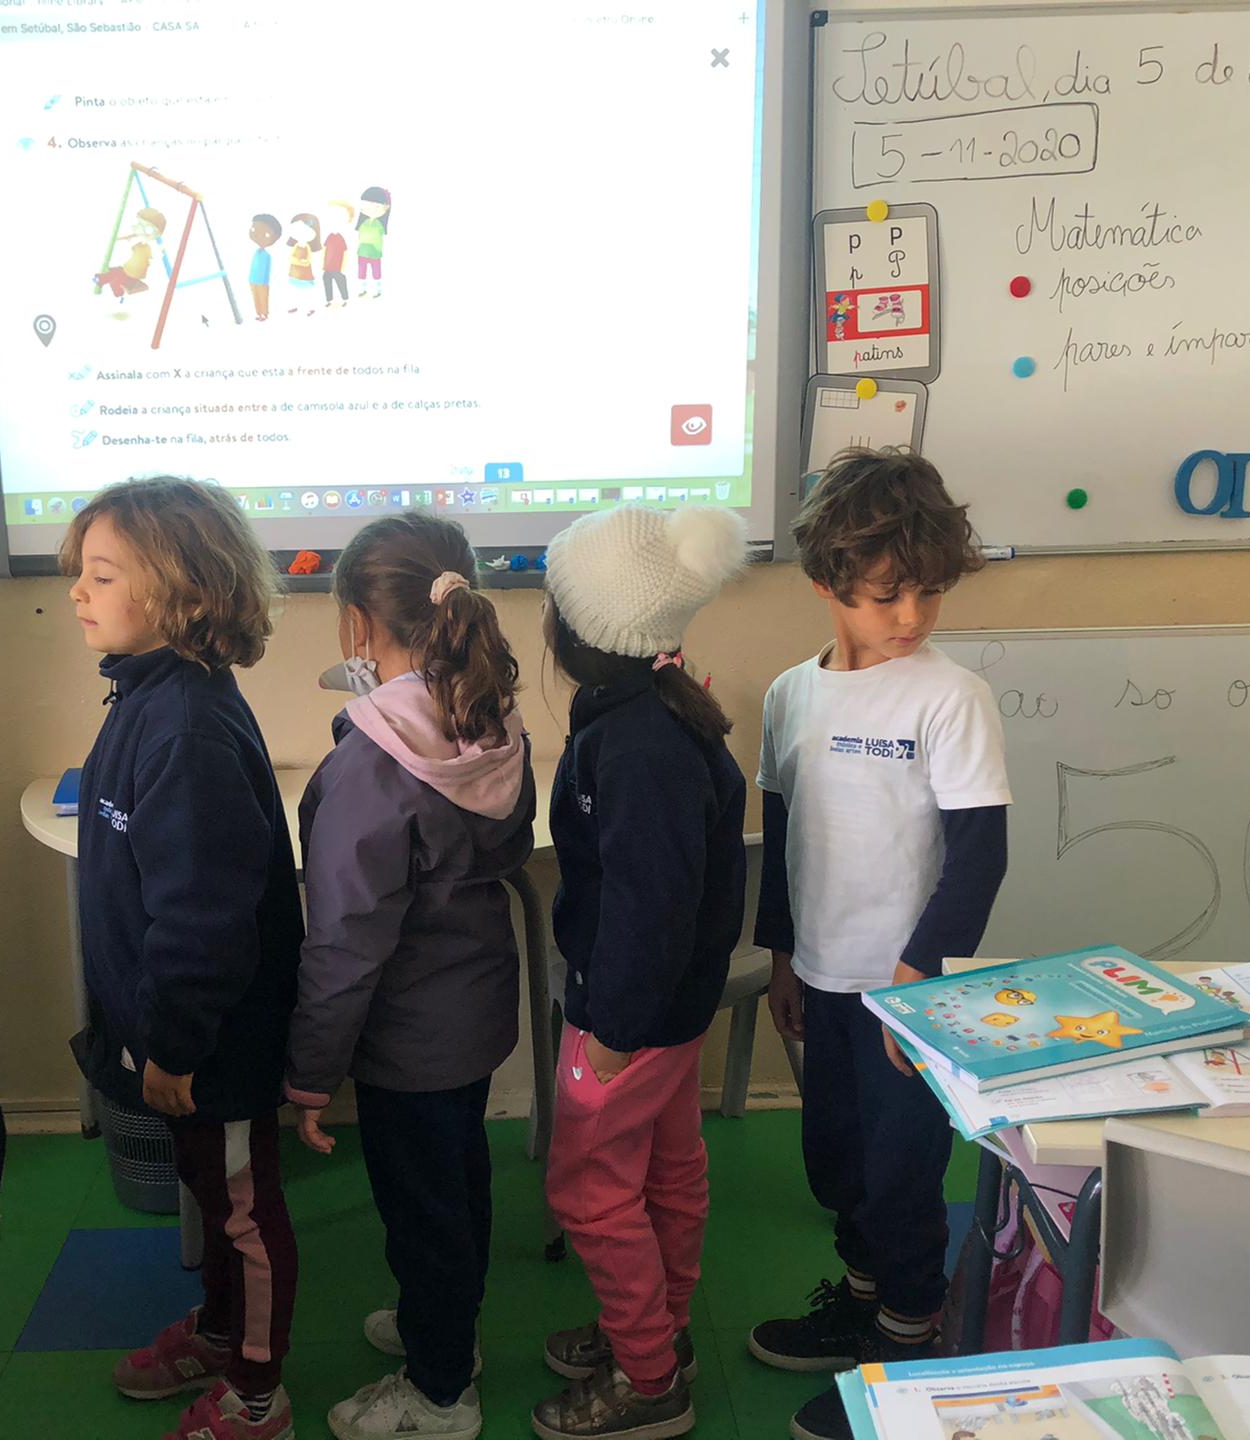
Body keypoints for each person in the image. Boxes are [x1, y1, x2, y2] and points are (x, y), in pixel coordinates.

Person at [747, 448, 1011, 1440]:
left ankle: (909, 1338)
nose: (911, 616)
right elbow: (782, 839)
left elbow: (979, 858)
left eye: (929, 592)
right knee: (836, 1163)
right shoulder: (791, 695)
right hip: (820, 975)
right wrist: (781, 958)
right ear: (828, 583)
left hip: (907, 993)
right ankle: (863, 1304)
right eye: (887, 594)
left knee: (903, 1175)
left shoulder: (950, 697)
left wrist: (914, 984)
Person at [64, 477, 304, 1440]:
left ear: (183, 591)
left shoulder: (188, 729)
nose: (77, 592)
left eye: (102, 574)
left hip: (213, 1045)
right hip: (180, 1039)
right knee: (211, 1193)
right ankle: (219, 1333)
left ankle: (258, 1397)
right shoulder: (145, 695)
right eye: (81, 573)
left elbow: (203, 921)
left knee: (242, 1211)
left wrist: (174, 1045)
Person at [285, 513, 534, 1440]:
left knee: (422, 1210)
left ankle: (440, 1391)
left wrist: (311, 1073)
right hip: (471, 1016)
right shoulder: (489, 718)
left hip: (406, 1039)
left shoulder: (371, 766)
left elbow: (343, 943)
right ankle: (448, 1325)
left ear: (357, 624)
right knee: (457, 1182)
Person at [530, 503, 750, 1440]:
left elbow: (650, 906)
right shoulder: (648, 710)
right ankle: (659, 1332)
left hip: (631, 1018)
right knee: (667, 1167)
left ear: (583, 631)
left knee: (588, 1189)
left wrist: (611, 1034)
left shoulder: (639, 746)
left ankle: (649, 1378)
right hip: (667, 1011)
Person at [249, 214, 282, 320]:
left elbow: (266, 270)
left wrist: (263, 281)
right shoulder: (256, 252)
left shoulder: (267, 255)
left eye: (266, 234)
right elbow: (253, 266)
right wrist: (250, 278)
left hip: (262, 282)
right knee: (256, 297)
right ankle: (258, 313)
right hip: (253, 280)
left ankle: (264, 314)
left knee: (263, 298)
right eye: (253, 229)